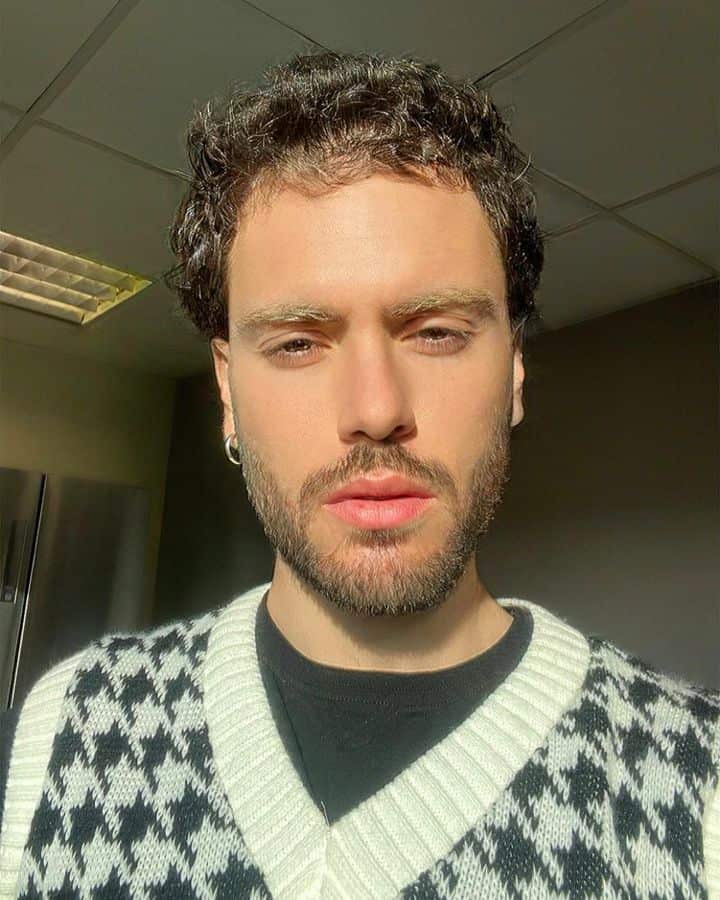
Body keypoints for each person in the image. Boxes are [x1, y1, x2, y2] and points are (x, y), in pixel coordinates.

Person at [0, 50, 718, 899]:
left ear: (515, 370)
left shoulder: (694, 785)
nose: (376, 411)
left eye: (437, 332)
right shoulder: (71, 724)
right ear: (228, 390)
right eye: (298, 343)